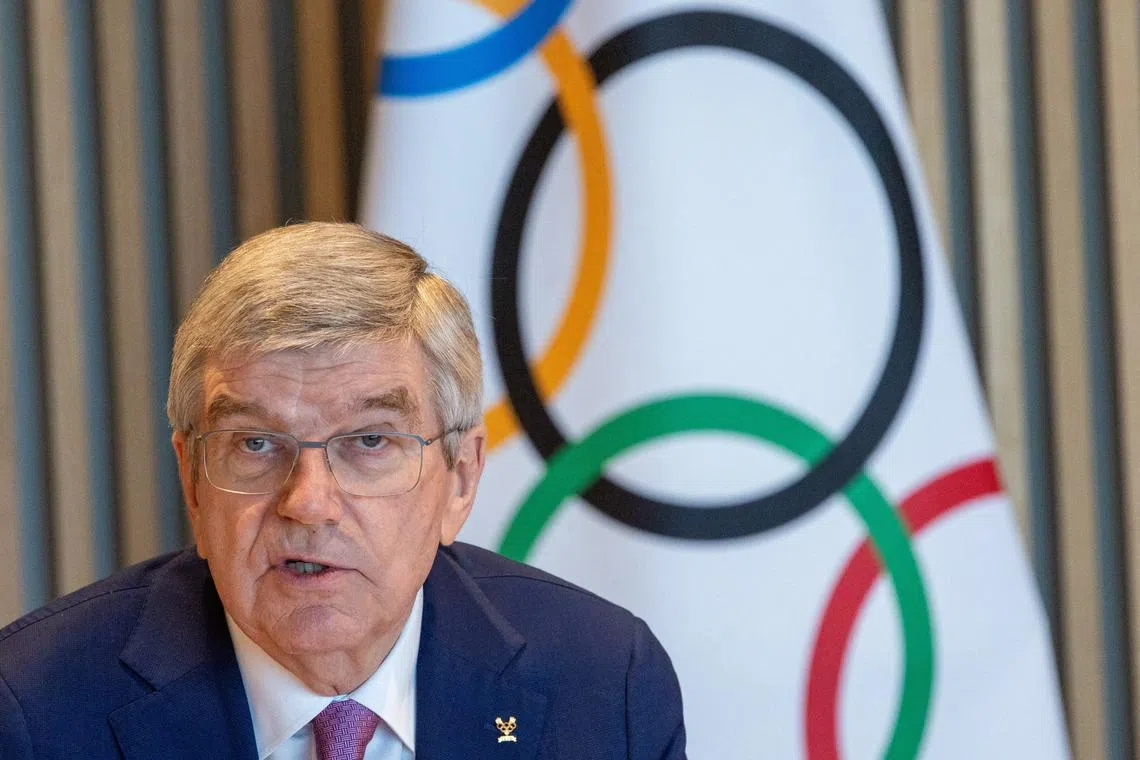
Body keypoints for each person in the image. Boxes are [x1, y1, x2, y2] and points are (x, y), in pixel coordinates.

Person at [0, 223, 686, 759]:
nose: (308, 503)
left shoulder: (603, 684)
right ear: (193, 483)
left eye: (369, 442)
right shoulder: (32, 709)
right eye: (255, 444)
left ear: (461, 478)